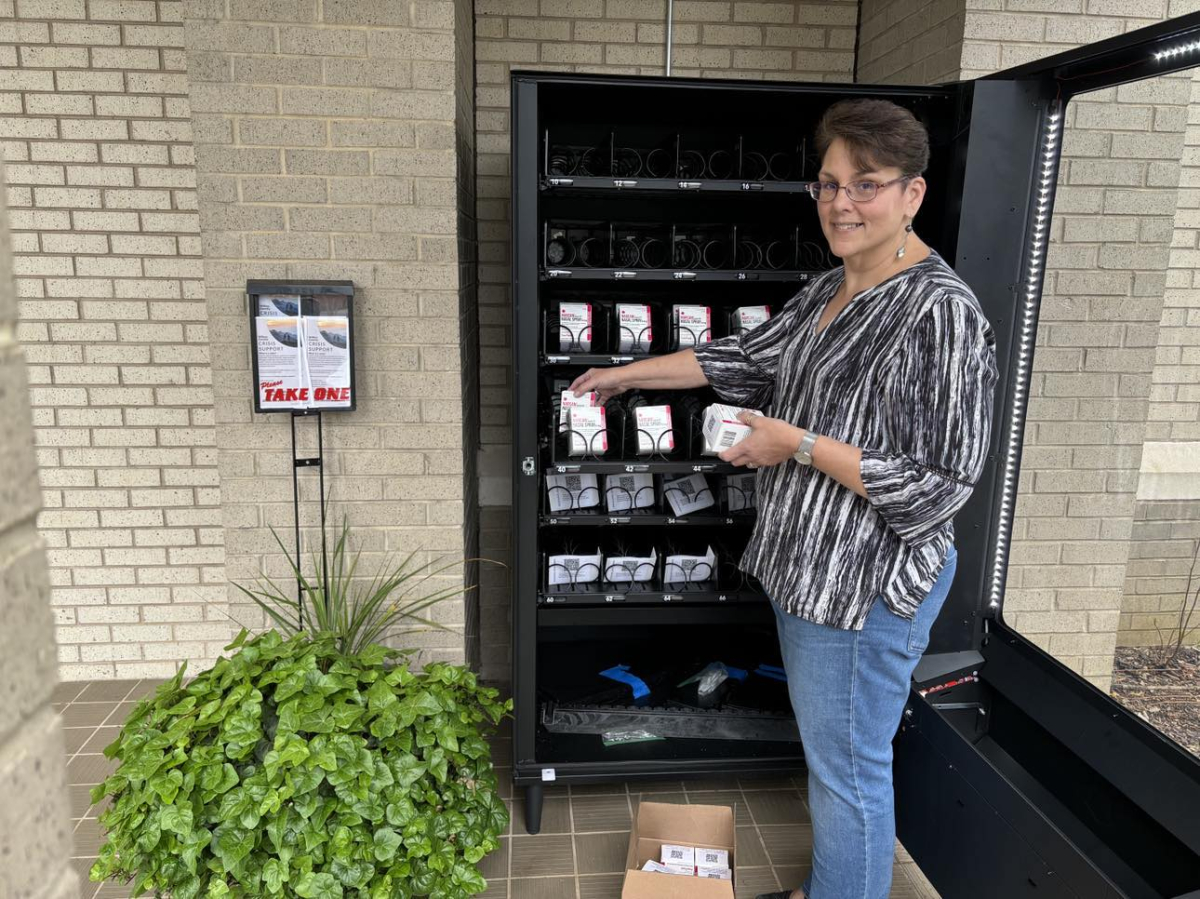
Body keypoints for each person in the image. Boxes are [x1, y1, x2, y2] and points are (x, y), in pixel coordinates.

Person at [569, 99, 999, 899]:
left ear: (913, 194)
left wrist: (794, 443)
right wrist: (621, 373)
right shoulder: (828, 290)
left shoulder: (941, 314)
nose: (841, 203)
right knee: (834, 761)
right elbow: (732, 355)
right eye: (829, 183)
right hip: (811, 575)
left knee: (850, 774)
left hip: (863, 589)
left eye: (866, 185)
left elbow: (942, 484)